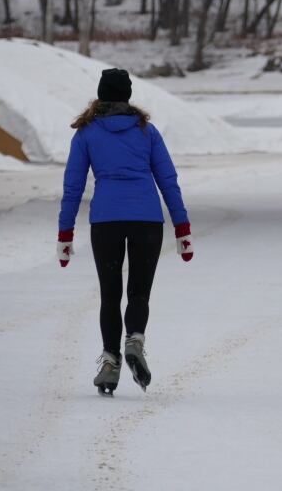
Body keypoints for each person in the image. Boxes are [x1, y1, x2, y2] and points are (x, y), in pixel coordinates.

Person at [57, 68, 193, 397]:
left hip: (106, 222)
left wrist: (65, 232)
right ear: (128, 96)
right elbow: (168, 181)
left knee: (109, 295)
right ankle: (134, 339)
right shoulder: (147, 131)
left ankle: (110, 363)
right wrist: (182, 227)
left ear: (101, 95)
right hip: (146, 220)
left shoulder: (87, 133)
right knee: (139, 293)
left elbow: (73, 187)